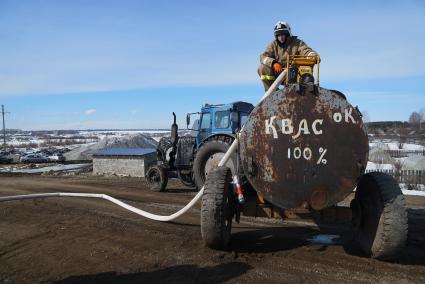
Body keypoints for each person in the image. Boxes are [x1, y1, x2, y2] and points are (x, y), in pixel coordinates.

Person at [258, 21, 319, 91]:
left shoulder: (297, 43)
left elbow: (305, 50)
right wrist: (273, 63)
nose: (281, 37)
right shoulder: (273, 45)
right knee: (262, 68)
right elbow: (263, 57)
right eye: (278, 35)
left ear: (288, 34)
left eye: (283, 34)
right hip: (279, 73)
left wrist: (313, 56)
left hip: (295, 74)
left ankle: (306, 86)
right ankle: (272, 93)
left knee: (306, 65)